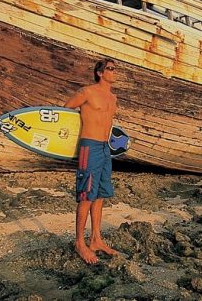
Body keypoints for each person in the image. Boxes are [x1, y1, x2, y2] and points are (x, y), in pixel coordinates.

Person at [64, 58, 120, 264]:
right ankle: (80, 242)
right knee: (87, 194)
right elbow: (65, 112)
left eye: (115, 70)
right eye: (111, 69)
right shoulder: (87, 92)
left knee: (100, 194)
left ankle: (96, 239)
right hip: (90, 146)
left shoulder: (113, 98)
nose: (115, 73)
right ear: (99, 73)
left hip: (106, 148)